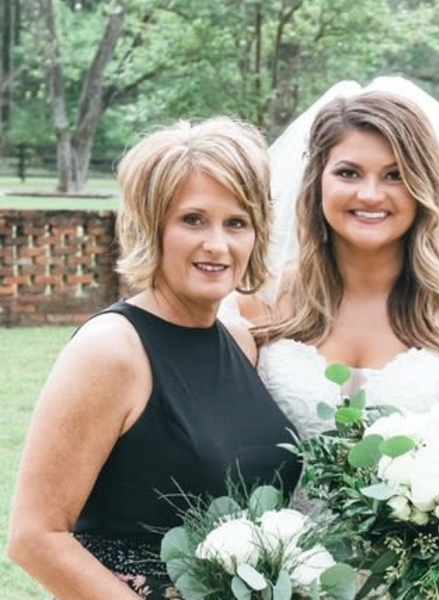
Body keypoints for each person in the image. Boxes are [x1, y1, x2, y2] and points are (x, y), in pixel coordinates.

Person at [233, 80, 439, 599]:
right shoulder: (260, 306)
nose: (370, 194)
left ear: (424, 186)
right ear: (318, 180)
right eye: (349, 173)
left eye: (395, 175)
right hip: (276, 581)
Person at [8, 118, 302, 599]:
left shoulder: (241, 342)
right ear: (152, 226)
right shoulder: (112, 350)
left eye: (236, 223)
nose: (217, 244)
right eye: (193, 220)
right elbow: (35, 538)